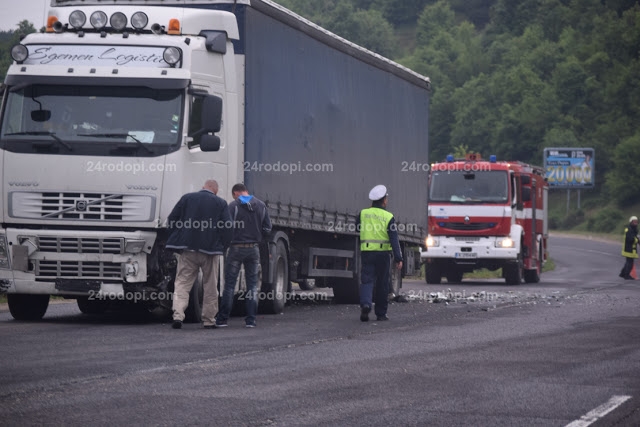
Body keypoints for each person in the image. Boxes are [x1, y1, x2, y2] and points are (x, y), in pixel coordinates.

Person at [166, 179, 232, 329]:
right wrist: (223, 246)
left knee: (182, 282)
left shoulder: (187, 198)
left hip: (187, 249)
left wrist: (176, 238)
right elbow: (228, 227)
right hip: (210, 251)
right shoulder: (220, 203)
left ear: (203, 187)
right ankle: (209, 320)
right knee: (210, 285)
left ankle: (178, 316)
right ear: (215, 190)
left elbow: (172, 219)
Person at [216, 183, 272, 328]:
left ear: (235, 193)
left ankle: (222, 319)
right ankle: (251, 320)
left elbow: (225, 227)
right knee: (252, 286)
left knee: (229, 285)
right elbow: (268, 228)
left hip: (236, 248)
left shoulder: (233, 206)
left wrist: (226, 242)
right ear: (246, 191)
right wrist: (258, 237)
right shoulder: (261, 205)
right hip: (254, 249)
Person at [358, 184, 403, 322]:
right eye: (386, 199)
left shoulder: (363, 213)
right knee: (383, 283)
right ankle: (381, 314)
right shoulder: (388, 216)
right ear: (383, 201)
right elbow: (394, 238)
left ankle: (366, 304)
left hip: (367, 253)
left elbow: (356, 227)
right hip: (383, 255)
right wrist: (398, 258)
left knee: (367, 280)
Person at [619, 216, 638, 280]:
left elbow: (635, 237)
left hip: (631, 249)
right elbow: (631, 239)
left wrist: (638, 241)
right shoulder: (629, 229)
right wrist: (637, 240)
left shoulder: (634, 229)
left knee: (628, 262)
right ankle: (626, 275)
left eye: (636, 221)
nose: (635, 223)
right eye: (634, 221)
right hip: (628, 249)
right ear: (631, 222)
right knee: (630, 263)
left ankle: (622, 273)